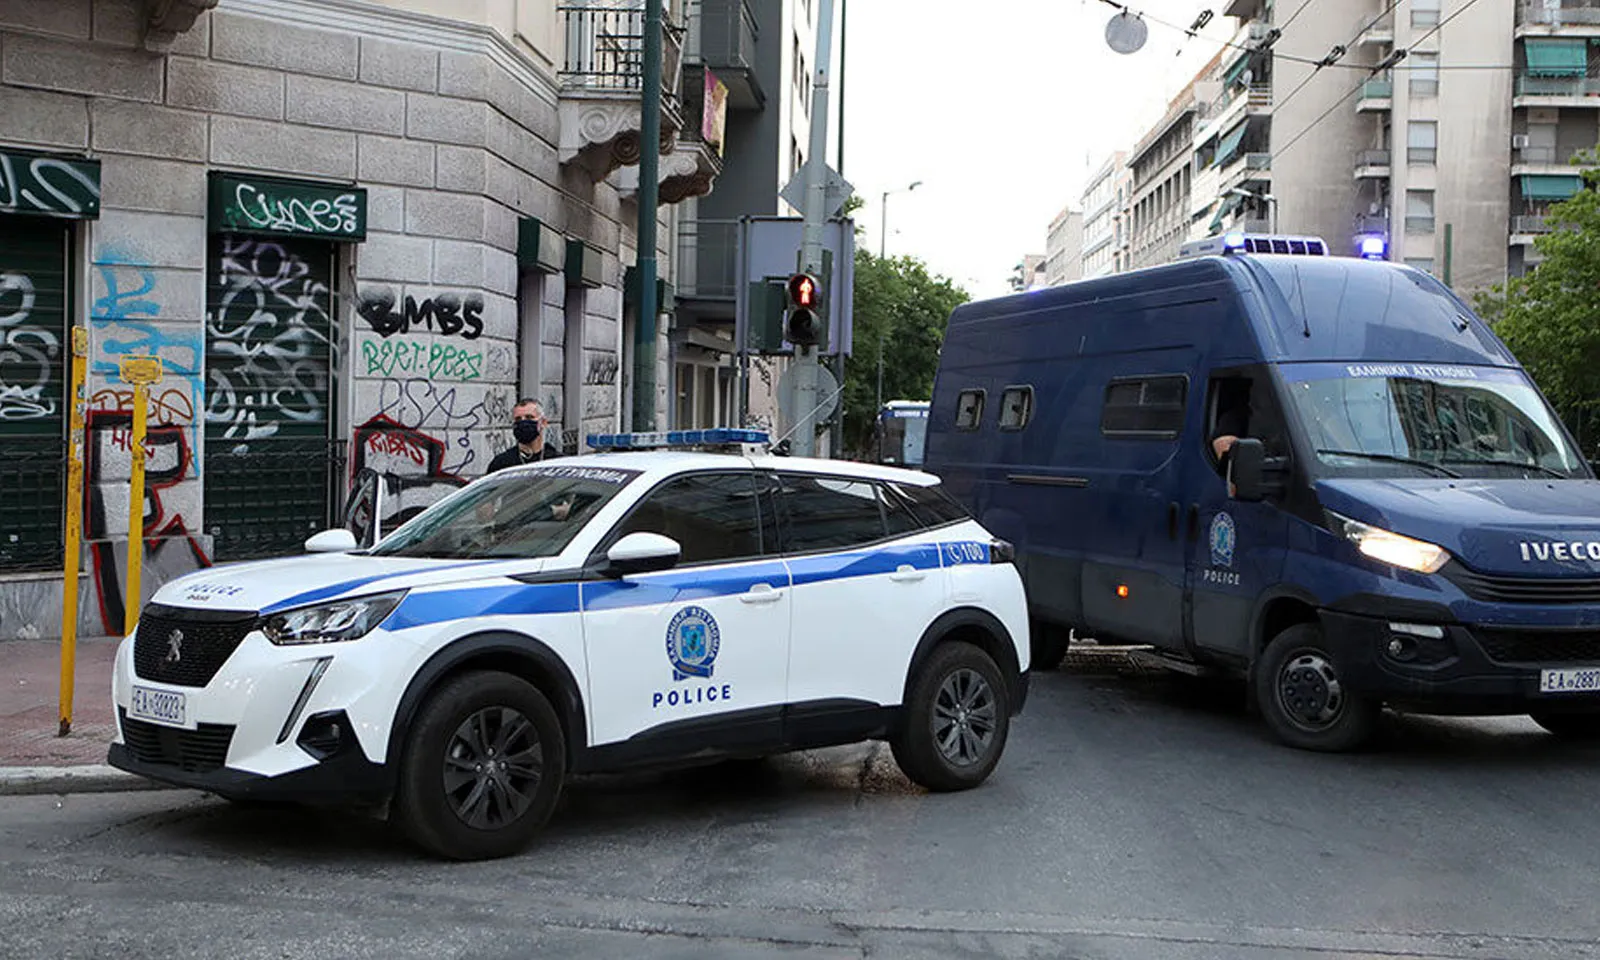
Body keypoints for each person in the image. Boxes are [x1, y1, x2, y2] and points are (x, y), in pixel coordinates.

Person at [487, 398, 564, 474]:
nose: (523, 422)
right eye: (518, 419)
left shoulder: (557, 462)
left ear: (543, 423)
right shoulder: (501, 463)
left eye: (529, 417)